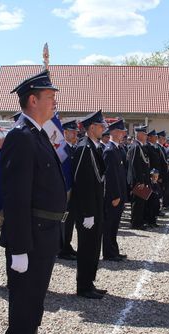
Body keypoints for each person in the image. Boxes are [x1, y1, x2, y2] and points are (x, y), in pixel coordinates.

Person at [0, 69, 67, 334]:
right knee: (23, 300)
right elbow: (15, 197)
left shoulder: (38, 134)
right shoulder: (20, 137)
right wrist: (19, 247)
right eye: (50, 97)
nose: (55, 101)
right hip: (30, 236)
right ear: (32, 99)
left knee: (36, 298)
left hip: (46, 233)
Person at [71, 110, 107, 299]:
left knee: (94, 247)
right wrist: (87, 213)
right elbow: (82, 183)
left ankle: (89, 282)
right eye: (101, 126)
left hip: (96, 206)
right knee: (86, 248)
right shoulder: (84, 148)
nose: (103, 129)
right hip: (88, 209)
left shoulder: (94, 147)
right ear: (92, 127)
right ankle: (83, 286)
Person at [102, 119, 129, 262]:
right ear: (113, 132)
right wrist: (115, 196)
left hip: (120, 195)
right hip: (114, 196)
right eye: (120, 131)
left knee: (114, 225)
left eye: (123, 131)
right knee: (110, 225)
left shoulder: (117, 149)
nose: (123, 134)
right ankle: (108, 252)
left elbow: (121, 175)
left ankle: (114, 250)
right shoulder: (109, 150)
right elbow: (110, 177)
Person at [57, 120, 79, 260]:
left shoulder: (74, 148)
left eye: (76, 131)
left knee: (70, 220)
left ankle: (67, 244)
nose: (75, 134)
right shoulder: (62, 149)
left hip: (73, 192)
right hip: (64, 192)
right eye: (72, 131)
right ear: (65, 132)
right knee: (63, 221)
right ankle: (61, 248)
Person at [126, 125, 150, 229]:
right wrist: (140, 181)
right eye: (144, 134)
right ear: (139, 134)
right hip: (137, 180)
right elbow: (135, 166)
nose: (146, 136)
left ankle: (138, 221)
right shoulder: (135, 146)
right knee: (137, 203)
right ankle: (136, 223)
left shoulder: (139, 146)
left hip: (141, 179)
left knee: (141, 202)